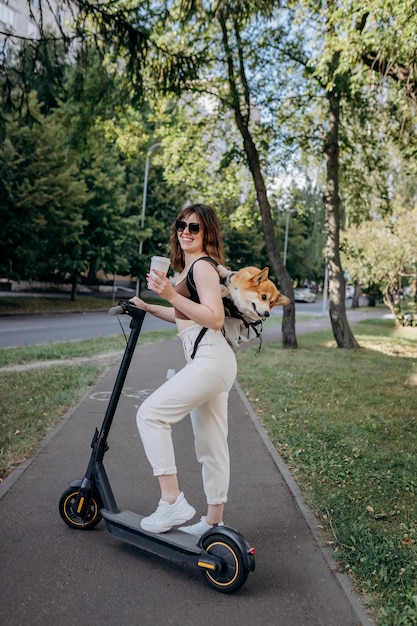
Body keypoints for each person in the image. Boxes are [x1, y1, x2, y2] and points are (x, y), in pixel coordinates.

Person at [129, 203, 237, 536]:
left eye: (194, 228)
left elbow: (214, 317)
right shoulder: (188, 270)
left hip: (210, 358)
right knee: (211, 443)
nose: (185, 232)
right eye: (181, 225)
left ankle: (172, 501)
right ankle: (212, 522)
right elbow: (184, 317)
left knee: (150, 415)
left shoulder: (202, 267)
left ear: (207, 234)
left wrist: (169, 295)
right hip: (213, 362)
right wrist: (149, 305)